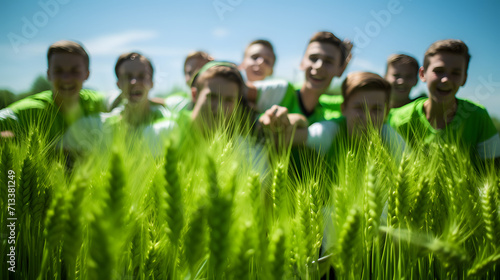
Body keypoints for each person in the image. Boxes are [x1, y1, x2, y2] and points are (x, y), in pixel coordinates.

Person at [388, 39, 500, 161]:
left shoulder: (479, 117)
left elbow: (494, 170)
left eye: (455, 73)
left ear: (464, 79)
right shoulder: (397, 120)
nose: (446, 79)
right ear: (423, 74)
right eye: (439, 71)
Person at [0, 40, 105, 142]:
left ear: (87, 74)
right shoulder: (31, 110)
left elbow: (117, 100)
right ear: (49, 74)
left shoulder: (97, 102)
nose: (66, 78)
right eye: (58, 71)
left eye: (75, 71)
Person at [247, 31, 351, 125]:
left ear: (341, 70)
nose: (319, 66)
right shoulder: (282, 90)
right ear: (302, 62)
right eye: (313, 58)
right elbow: (238, 88)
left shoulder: (329, 117)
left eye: (328, 61)